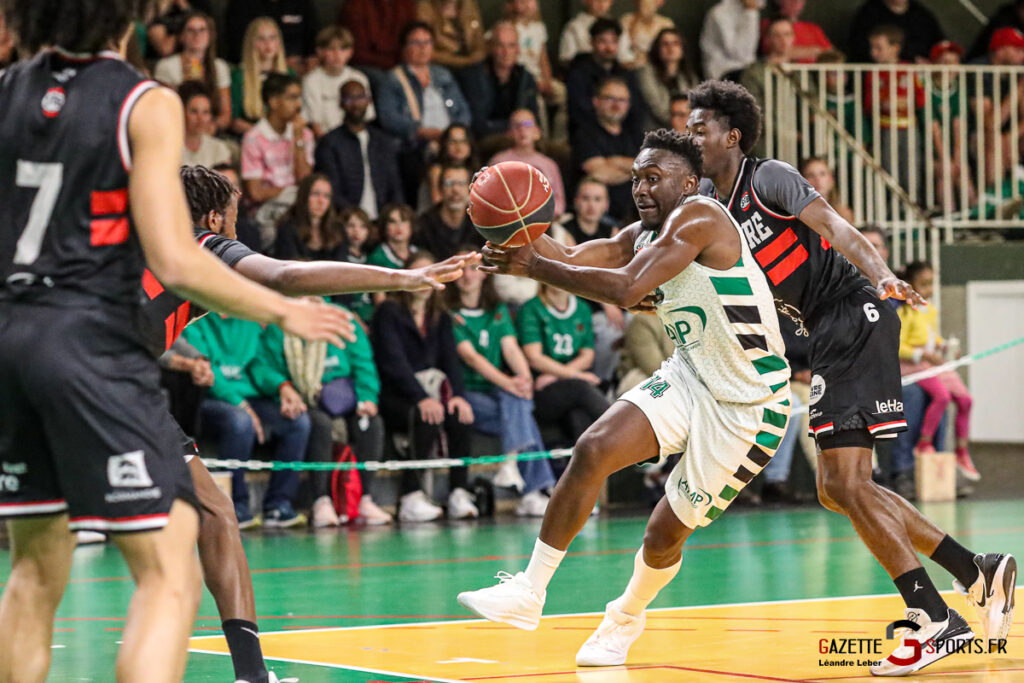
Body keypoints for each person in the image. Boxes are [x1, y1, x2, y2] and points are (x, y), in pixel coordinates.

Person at [0, 5, 350, 681]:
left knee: (33, 571)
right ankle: (251, 670)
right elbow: (179, 259)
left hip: (11, 337)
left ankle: (252, 670)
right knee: (169, 570)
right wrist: (282, 310)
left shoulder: (8, 88)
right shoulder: (144, 101)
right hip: (89, 347)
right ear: (125, 22)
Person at [687, 79, 1013, 675]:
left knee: (846, 482)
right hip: (823, 329)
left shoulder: (769, 178)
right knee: (836, 487)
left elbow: (837, 228)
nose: (692, 137)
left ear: (731, 135)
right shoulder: (710, 202)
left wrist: (882, 273)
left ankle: (935, 618)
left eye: (699, 127)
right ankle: (976, 570)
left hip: (853, 312)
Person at [457, 131, 793, 667]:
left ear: (689, 183)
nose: (640, 188)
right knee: (593, 448)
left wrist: (534, 266)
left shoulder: (701, 217)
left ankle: (624, 618)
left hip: (748, 404)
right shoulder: (643, 233)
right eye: (636, 178)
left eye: (653, 178)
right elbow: (570, 255)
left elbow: (626, 287)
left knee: (661, 537)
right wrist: (515, 224)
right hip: (690, 374)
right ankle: (528, 591)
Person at [137, 164, 470, 683]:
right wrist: (400, 278)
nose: (238, 232)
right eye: (234, 219)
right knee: (214, 517)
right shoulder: (200, 245)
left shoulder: (141, 244)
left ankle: (252, 674)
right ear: (212, 219)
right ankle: (251, 675)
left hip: (56, 371)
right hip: (110, 385)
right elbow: (286, 276)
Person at [249, 301, 393, 527]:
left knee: (371, 423)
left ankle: (363, 498)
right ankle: (321, 500)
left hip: (343, 399)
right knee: (320, 424)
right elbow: (263, 366)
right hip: (301, 399)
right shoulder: (282, 320)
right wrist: (282, 386)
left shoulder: (342, 320)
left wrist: (367, 398)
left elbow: (363, 363)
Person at [372, 252, 478, 521]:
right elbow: (393, 363)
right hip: (395, 393)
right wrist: (421, 398)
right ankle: (411, 495)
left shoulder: (440, 316)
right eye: (419, 273)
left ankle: (458, 492)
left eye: (432, 273)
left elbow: (450, 361)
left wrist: (458, 396)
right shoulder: (388, 311)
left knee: (459, 414)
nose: (425, 280)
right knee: (426, 415)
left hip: (431, 391)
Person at [447, 260, 556, 517]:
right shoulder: (450, 314)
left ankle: (513, 468)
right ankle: (532, 489)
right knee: (521, 412)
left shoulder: (496, 309)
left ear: (484, 275)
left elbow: (511, 348)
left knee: (517, 401)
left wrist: (525, 379)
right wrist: (511, 384)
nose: (467, 276)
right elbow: (471, 358)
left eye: (473, 269)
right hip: (467, 395)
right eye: (462, 270)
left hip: (497, 394)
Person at [184, 312, 313, 528]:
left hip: (250, 399)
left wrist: (282, 387)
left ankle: (278, 505)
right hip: (209, 399)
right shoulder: (196, 320)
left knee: (298, 422)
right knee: (240, 421)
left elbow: (259, 365)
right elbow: (207, 372)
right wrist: (241, 405)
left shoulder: (248, 319)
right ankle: (236, 505)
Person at [897, 261, 979, 481]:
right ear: (910, 285)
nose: (929, 290)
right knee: (942, 396)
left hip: (931, 364)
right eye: (923, 284)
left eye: (931, 284)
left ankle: (961, 452)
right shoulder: (905, 312)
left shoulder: (930, 311)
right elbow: (897, 345)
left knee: (965, 400)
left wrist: (944, 346)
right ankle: (924, 443)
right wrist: (923, 354)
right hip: (913, 366)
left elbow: (932, 337)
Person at [376, 21, 472, 202]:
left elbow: (463, 111)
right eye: (416, 43)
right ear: (404, 48)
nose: (423, 48)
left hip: (449, 140)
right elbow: (389, 118)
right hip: (417, 143)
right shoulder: (393, 79)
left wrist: (455, 132)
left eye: (427, 42)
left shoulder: (443, 75)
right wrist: (420, 131)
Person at [516, 284, 611, 447]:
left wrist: (556, 375)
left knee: (579, 415)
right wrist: (576, 375)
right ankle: (623, 430)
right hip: (539, 391)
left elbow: (587, 357)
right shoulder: (531, 309)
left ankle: (591, 463)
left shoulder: (582, 308)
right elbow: (534, 358)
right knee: (580, 388)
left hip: (562, 383)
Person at [240, 72, 314, 245]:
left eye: (299, 98)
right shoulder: (253, 138)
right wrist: (290, 191)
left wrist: (298, 138)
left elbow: (304, 180)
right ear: (273, 102)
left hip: (298, 207)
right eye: (291, 98)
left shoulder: (305, 134)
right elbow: (256, 192)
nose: (298, 105)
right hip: (267, 211)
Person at [313, 79, 404, 218]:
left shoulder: (383, 141)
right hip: (345, 220)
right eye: (349, 99)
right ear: (340, 103)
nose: (355, 104)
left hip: (383, 220)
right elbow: (332, 191)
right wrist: (358, 221)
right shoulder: (330, 143)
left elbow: (394, 186)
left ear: (369, 100)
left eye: (360, 98)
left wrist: (392, 218)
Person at [863, 24, 925, 200]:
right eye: (872, 47)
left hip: (909, 128)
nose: (874, 52)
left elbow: (921, 99)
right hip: (885, 129)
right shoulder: (873, 73)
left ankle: (913, 206)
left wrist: (907, 102)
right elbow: (868, 105)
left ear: (895, 48)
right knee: (889, 170)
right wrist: (883, 104)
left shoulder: (909, 69)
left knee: (911, 170)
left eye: (879, 48)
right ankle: (892, 207)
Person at [572, 77, 644, 223]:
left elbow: (649, 168)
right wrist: (636, 169)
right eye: (610, 99)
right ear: (596, 101)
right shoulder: (585, 134)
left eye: (622, 100)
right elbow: (599, 173)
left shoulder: (635, 134)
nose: (616, 105)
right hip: (599, 218)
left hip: (636, 215)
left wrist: (614, 162)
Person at [565, 18, 649, 141]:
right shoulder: (578, 73)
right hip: (589, 136)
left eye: (614, 42)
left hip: (625, 136)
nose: (609, 48)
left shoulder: (627, 75)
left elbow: (637, 109)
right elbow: (580, 113)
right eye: (602, 41)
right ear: (591, 42)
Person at [459, 21, 539, 146]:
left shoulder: (525, 77)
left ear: (518, 49)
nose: (506, 52)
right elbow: (477, 124)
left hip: (521, 138)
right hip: (486, 140)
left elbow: (532, 118)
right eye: (500, 45)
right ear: (491, 48)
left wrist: (523, 128)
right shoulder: (474, 77)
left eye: (511, 46)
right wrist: (512, 129)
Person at [154, 11, 231, 131]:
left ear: (210, 36)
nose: (197, 35)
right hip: (177, 130)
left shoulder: (220, 67)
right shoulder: (167, 66)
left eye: (202, 30)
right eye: (190, 30)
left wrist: (211, 127)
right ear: (181, 36)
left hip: (210, 131)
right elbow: (164, 110)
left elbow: (225, 116)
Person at [488, 109, 567, 217]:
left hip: (543, 219)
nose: (522, 130)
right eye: (517, 126)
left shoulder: (549, 164)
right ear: (509, 133)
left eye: (528, 124)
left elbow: (559, 202)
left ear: (537, 131)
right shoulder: (499, 161)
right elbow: (489, 195)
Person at [301, 26, 375, 140]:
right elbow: (315, 124)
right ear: (320, 52)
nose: (337, 54)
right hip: (326, 140)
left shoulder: (359, 78)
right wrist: (330, 145)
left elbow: (367, 117)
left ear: (350, 52)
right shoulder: (311, 81)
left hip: (356, 138)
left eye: (342, 49)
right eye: (331, 49)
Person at [230, 17, 293, 136]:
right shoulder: (239, 76)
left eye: (272, 38)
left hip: (285, 136)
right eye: (261, 39)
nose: (268, 44)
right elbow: (235, 121)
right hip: (251, 135)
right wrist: (264, 134)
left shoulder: (290, 75)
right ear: (251, 43)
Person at [273, 174, 347, 262]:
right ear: (304, 196)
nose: (321, 201)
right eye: (315, 194)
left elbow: (341, 264)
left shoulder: (338, 229)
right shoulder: (287, 227)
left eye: (326, 196)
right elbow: (291, 264)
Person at [416, 164, 485, 259]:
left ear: (470, 189)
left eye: (461, 183)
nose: (455, 190)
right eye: (449, 183)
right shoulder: (424, 225)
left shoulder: (481, 223)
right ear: (440, 189)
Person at [224, 0, 318, 69]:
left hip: (299, 69)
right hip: (253, 67)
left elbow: (313, 45)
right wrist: (280, 62)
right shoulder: (240, 4)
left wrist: (308, 63)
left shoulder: (303, 3)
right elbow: (236, 48)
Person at [637, 28, 699, 129]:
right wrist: (680, 120)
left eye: (675, 43)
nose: (671, 48)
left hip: (684, 129)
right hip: (655, 129)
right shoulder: (646, 72)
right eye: (665, 44)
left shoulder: (689, 76)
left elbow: (694, 108)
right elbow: (659, 110)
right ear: (657, 49)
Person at [848, 0, 944, 63]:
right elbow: (858, 48)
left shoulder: (922, 15)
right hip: (875, 74)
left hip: (919, 77)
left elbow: (940, 44)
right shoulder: (869, 12)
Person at [339, 0, 418, 72]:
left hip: (400, 63)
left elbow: (411, 40)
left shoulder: (406, 5)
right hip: (366, 64)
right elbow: (356, 51)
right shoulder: (357, 5)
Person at [699, 0, 763, 81]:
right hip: (724, 73)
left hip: (745, 71)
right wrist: (750, 12)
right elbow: (741, 54)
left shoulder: (750, 10)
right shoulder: (720, 13)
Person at [417, 0, 487, 71]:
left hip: (473, 61)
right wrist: (464, 61)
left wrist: (477, 55)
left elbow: (479, 39)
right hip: (443, 64)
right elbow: (425, 49)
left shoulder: (469, 5)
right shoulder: (426, 9)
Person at [422, 123, 478, 210]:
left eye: (463, 142)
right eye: (453, 142)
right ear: (445, 145)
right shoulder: (436, 171)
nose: (459, 147)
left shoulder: (475, 171)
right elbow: (438, 205)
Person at [179, 80, 232, 169]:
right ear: (183, 112)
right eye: (194, 111)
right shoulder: (169, 148)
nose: (200, 118)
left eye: (206, 112)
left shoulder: (219, 149)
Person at [760, 0, 832, 63]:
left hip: (812, 73)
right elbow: (774, 53)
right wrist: (814, 51)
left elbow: (831, 55)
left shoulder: (813, 28)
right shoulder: (767, 25)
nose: (796, 2)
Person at [558, 0, 616, 68]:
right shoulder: (573, 27)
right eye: (597, 0)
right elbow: (566, 59)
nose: (601, 4)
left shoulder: (616, 24)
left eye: (605, 1)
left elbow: (624, 58)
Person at [619, 0, 675, 69]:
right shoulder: (627, 20)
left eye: (650, 5)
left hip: (659, 66)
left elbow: (670, 50)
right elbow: (623, 51)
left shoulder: (666, 24)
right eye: (643, 4)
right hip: (634, 65)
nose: (646, 8)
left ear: (659, 3)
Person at [800, 156, 854, 223]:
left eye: (822, 174)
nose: (817, 179)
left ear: (831, 179)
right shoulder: (795, 214)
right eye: (810, 175)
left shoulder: (843, 213)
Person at [369, 204, 419, 270]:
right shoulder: (376, 258)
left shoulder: (419, 254)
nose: (399, 226)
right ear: (384, 226)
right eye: (392, 222)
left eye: (403, 221)